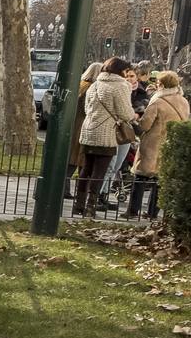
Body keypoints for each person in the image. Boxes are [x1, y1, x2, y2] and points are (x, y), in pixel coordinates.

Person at [75, 57, 136, 218]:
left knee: (86, 169)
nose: (127, 74)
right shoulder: (121, 86)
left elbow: (87, 108)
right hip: (106, 134)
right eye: (126, 71)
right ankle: (90, 205)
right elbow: (125, 113)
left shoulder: (95, 84)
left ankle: (78, 204)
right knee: (99, 172)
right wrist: (132, 115)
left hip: (88, 130)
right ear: (121, 71)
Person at [127, 70, 188, 220]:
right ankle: (152, 212)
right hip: (169, 143)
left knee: (141, 176)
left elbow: (145, 125)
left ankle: (133, 211)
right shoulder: (183, 101)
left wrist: (135, 121)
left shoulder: (158, 101)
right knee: (159, 180)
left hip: (153, 143)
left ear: (161, 84)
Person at [97, 63, 141, 208]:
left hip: (126, 131)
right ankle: (98, 196)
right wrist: (132, 114)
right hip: (113, 129)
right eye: (126, 75)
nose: (129, 78)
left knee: (116, 165)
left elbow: (140, 108)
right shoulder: (118, 87)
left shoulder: (139, 91)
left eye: (132, 76)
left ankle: (103, 194)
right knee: (109, 164)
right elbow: (127, 113)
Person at [65, 62, 103, 199]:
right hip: (84, 126)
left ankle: (67, 189)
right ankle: (80, 192)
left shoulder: (80, 86)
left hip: (75, 125)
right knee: (80, 160)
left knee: (72, 160)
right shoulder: (92, 89)